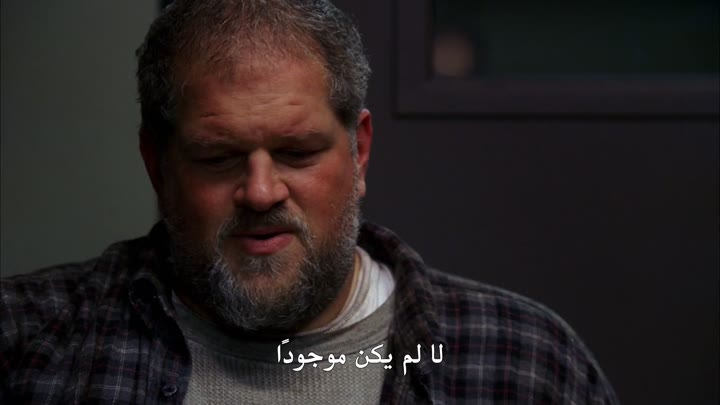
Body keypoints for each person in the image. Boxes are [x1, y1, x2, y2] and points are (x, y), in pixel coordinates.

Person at [0, 0, 619, 403]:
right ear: (157, 166)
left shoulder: (522, 361)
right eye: (217, 158)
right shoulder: (30, 342)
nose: (261, 192)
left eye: (297, 153)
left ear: (359, 153)